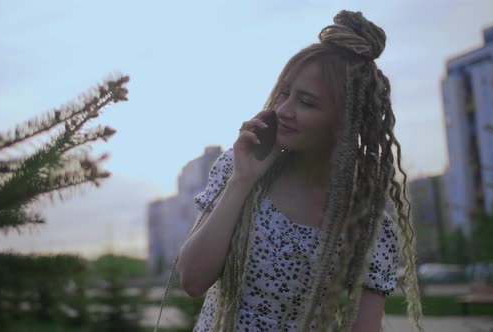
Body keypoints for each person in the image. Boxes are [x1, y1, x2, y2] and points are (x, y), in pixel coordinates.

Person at [174, 10, 423, 332]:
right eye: (284, 92)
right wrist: (242, 181)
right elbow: (192, 280)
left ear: (345, 122)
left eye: (306, 102)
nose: (284, 110)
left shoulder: (368, 222)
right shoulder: (237, 170)